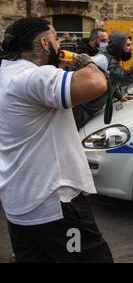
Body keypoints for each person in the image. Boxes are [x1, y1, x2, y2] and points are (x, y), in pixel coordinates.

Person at [0, 17, 113, 263]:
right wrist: (88, 62)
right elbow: (95, 83)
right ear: (43, 43)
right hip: (55, 205)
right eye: (55, 38)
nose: (58, 44)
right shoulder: (33, 77)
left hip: (18, 206)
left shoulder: (6, 74)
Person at [72, 30, 133, 129]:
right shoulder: (107, 60)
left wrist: (119, 96)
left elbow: (110, 79)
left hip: (89, 109)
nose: (131, 48)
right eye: (128, 45)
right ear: (118, 46)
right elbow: (127, 77)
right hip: (82, 110)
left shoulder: (110, 57)